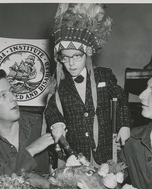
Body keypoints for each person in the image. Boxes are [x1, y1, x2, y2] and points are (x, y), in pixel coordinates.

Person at [44, 3, 131, 166]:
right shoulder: (61, 85)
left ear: (88, 54)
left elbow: (119, 98)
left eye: (77, 56)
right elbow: (52, 108)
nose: (71, 63)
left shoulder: (103, 75)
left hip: (104, 153)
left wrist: (123, 125)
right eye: (65, 57)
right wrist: (56, 123)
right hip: (75, 154)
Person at [0, 69, 54, 182]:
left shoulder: (41, 123)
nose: (13, 98)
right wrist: (31, 150)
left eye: (11, 91)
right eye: (3, 95)